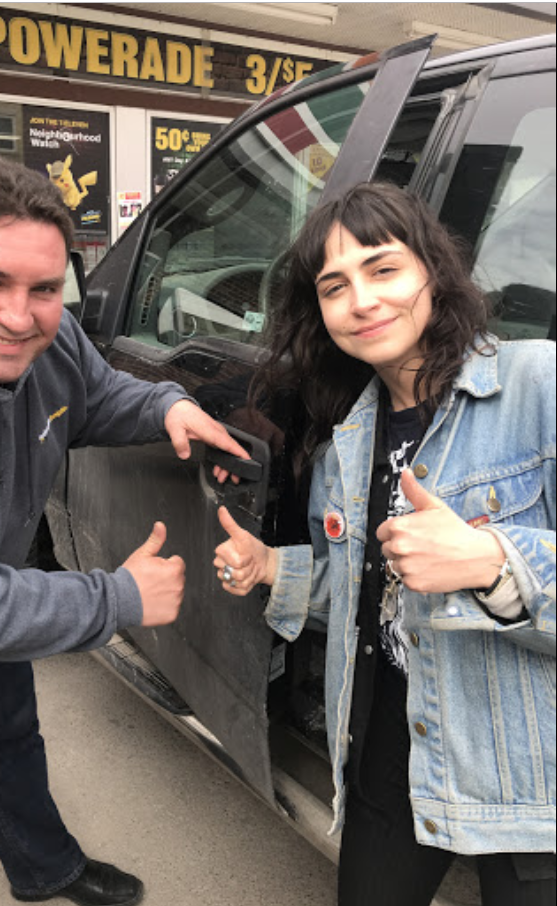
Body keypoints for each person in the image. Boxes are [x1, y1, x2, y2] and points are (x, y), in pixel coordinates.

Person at [0, 154, 249, 906]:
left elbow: (96, 394)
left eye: (43, 288)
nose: (19, 316)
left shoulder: (41, 335)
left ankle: (46, 870)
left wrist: (165, 406)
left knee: (9, 744)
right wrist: (119, 597)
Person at [213, 183, 555, 906]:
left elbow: (491, 572)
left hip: (528, 773)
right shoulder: (349, 440)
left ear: (432, 272)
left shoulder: (538, 386)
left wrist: (496, 565)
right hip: (387, 747)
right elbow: (367, 594)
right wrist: (274, 567)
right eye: (334, 286)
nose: (361, 300)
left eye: (383, 269)